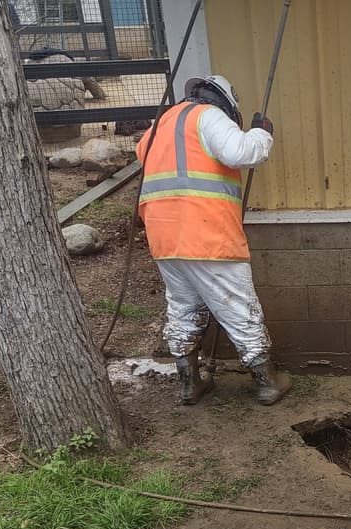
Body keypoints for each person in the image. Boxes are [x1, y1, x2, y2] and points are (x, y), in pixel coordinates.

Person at [136, 74, 291, 406]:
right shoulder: (208, 116)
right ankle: (267, 383)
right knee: (239, 308)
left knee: (183, 308)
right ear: (225, 101)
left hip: (165, 237)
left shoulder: (160, 124)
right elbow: (240, 152)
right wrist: (262, 132)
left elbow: (142, 156)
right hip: (207, 235)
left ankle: (189, 384)